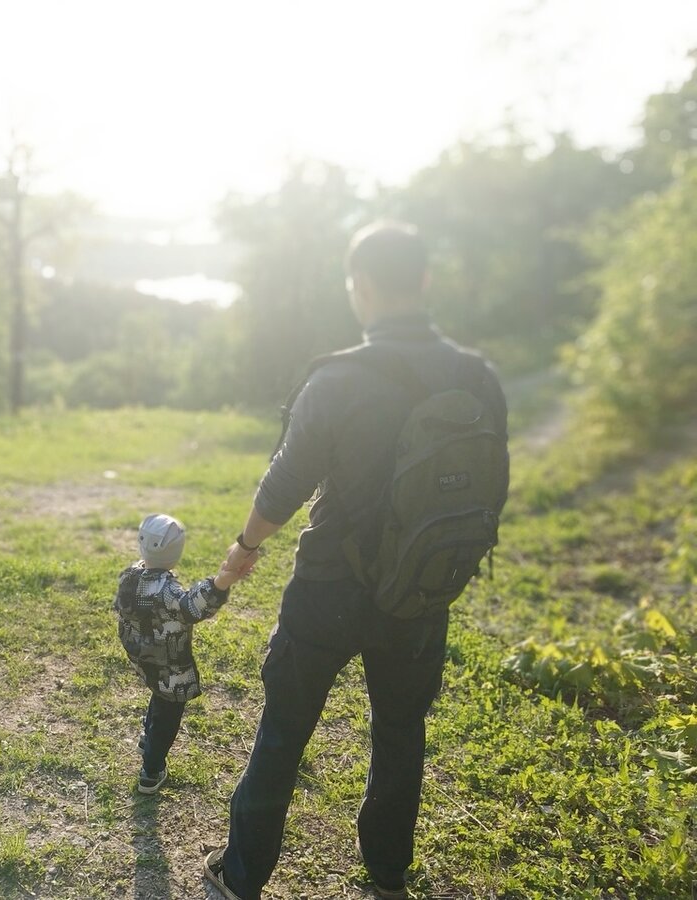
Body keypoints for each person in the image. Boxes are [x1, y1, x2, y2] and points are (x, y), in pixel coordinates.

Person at [203, 221, 509, 900]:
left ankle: (242, 878)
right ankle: (388, 870)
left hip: (327, 589)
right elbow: (494, 489)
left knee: (283, 732)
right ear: (424, 281)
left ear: (362, 287)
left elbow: (284, 483)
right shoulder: (476, 377)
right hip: (421, 593)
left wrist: (245, 548)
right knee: (401, 729)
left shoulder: (337, 378)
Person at [114, 513, 245, 794]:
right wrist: (222, 581)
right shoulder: (169, 593)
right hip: (170, 667)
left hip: (142, 656)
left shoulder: (128, 576)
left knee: (156, 694)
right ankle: (151, 769)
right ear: (176, 553)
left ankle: (148, 736)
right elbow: (194, 606)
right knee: (167, 711)